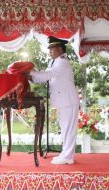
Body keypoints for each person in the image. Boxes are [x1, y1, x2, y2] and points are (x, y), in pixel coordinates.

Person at [28, 36, 79, 165]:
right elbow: (45, 75)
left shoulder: (62, 62)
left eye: (52, 48)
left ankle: (68, 156)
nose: (50, 51)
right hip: (64, 101)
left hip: (68, 101)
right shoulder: (54, 62)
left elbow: (47, 75)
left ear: (60, 49)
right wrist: (31, 76)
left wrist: (30, 72)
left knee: (68, 129)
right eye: (49, 48)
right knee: (65, 129)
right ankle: (65, 154)